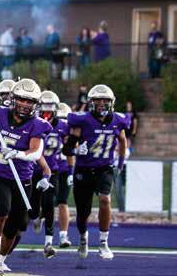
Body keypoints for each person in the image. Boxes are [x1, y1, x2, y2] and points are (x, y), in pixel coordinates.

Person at [0, 78, 50, 275]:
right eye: (22, 99)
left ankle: (0, 261)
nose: (25, 104)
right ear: (13, 98)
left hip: (22, 180)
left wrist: (17, 153)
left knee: (14, 227)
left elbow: (36, 153)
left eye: (30, 101)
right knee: (1, 211)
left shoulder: (38, 124)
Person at [63, 84, 129, 261]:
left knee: (105, 199)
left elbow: (122, 140)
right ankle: (83, 237)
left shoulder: (118, 120)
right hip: (84, 169)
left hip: (104, 168)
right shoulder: (82, 121)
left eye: (105, 100)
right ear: (90, 102)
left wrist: (121, 163)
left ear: (111, 102)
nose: (101, 103)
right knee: (82, 212)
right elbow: (66, 149)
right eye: (98, 100)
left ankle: (103, 242)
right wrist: (76, 150)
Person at [29, 91, 65, 258]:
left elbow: (72, 141)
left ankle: (48, 242)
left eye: (50, 110)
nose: (46, 113)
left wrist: (77, 147)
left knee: (49, 202)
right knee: (32, 209)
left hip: (52, 171)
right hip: (32, 170)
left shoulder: (63, 126)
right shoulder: (32, 123)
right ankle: (37, 216)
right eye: (44, 109)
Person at [55, 103, 75, 249]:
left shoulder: (70, 131)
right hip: (48, 169)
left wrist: (71, 171)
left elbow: (71, 151)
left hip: (63, 169)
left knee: (63, 201)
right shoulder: (47, 128)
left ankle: (63, 235)